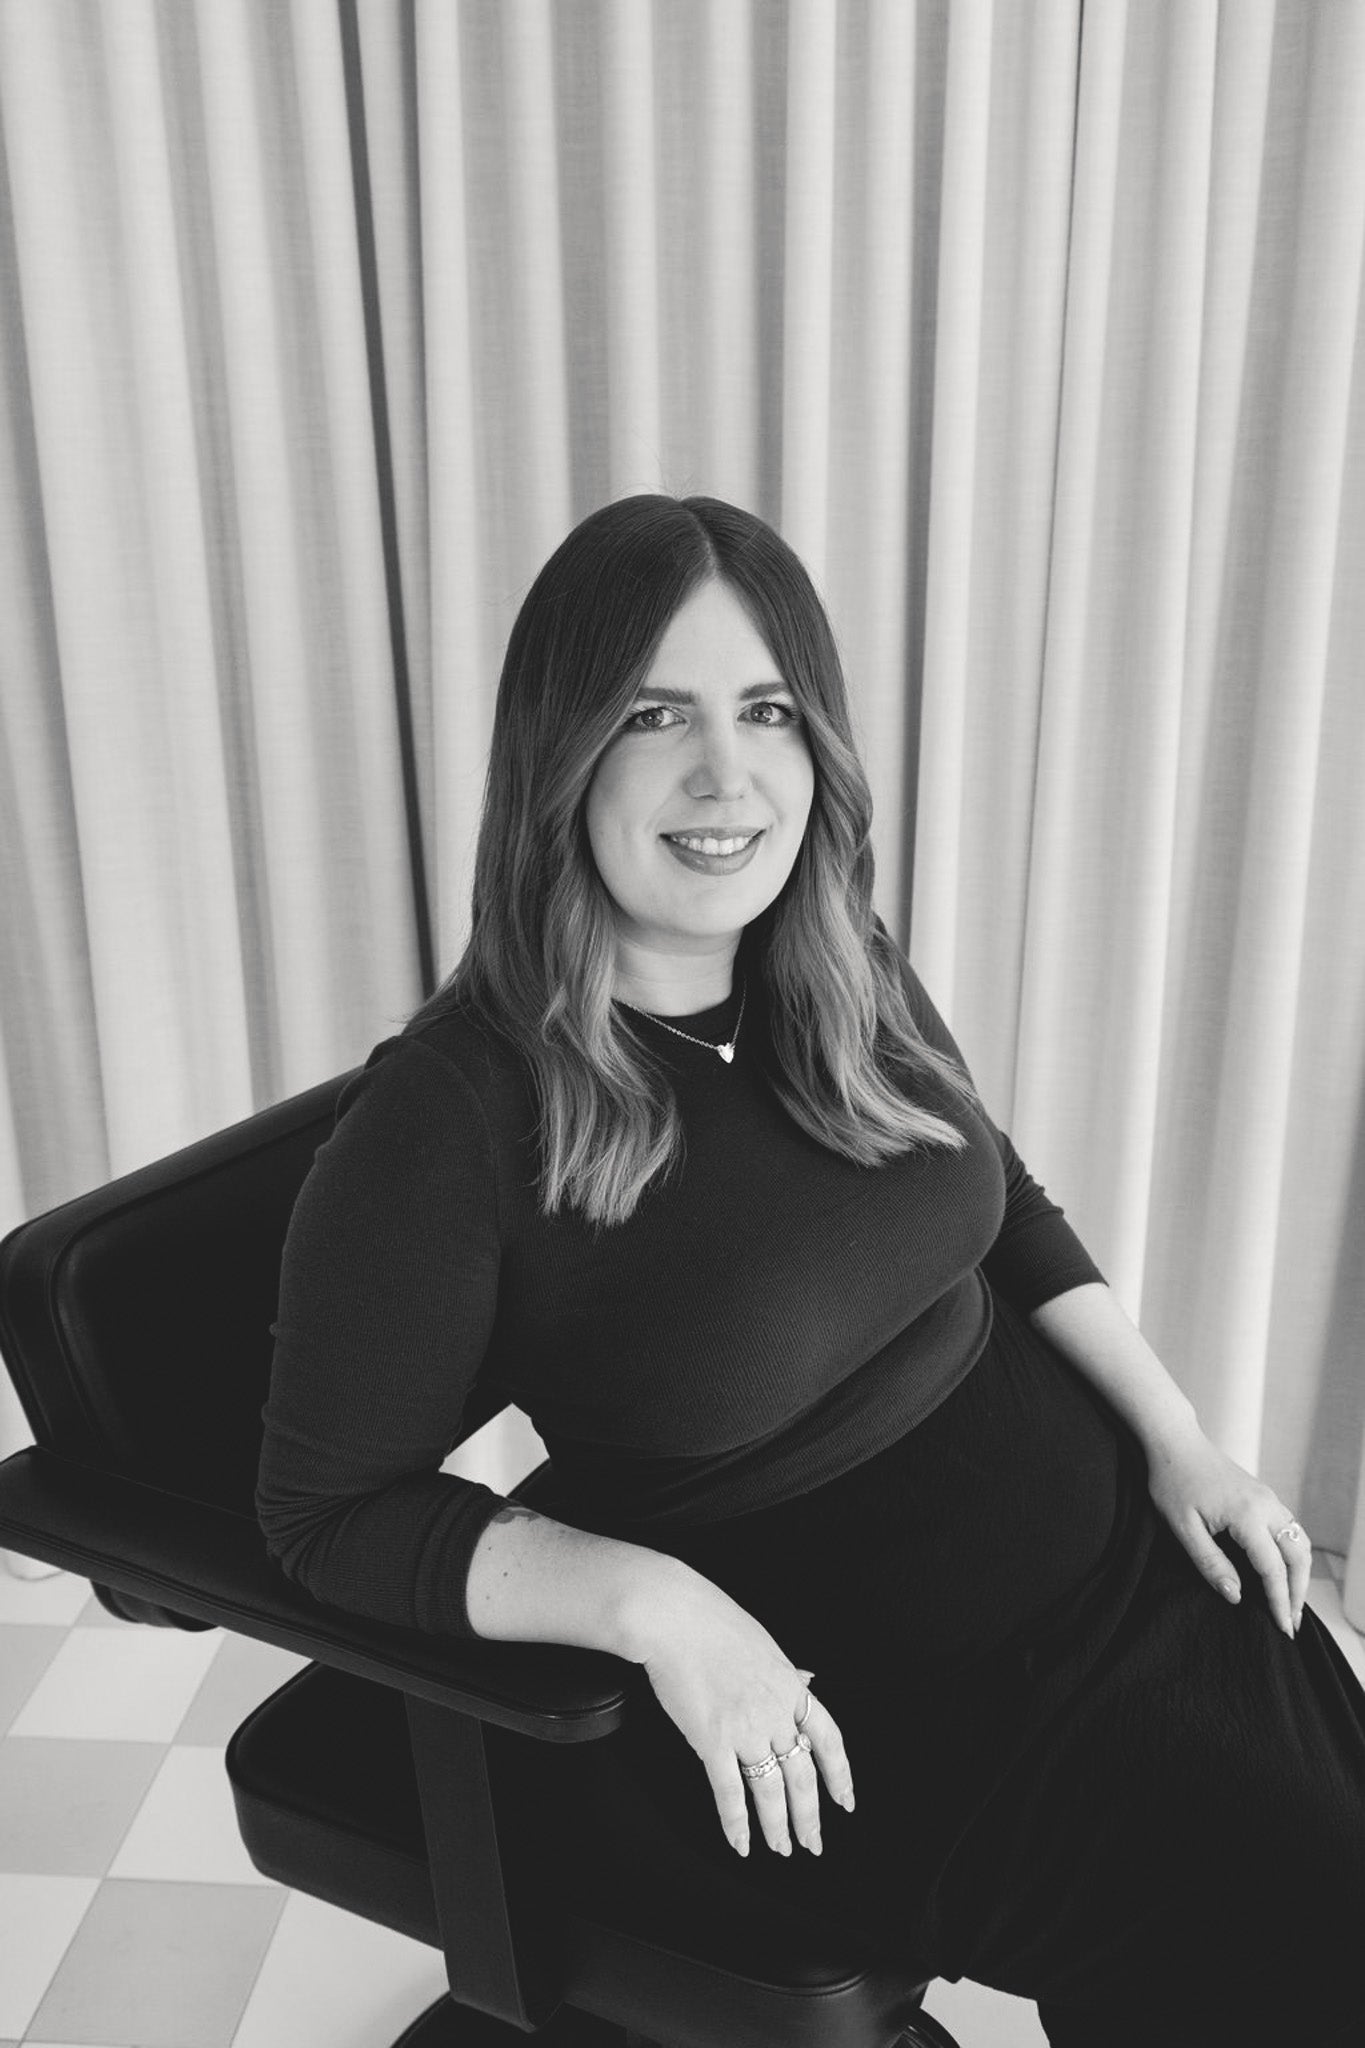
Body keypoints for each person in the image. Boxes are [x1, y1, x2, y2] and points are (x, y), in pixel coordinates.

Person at [257, 495, 1365, 2046]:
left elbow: (1005, 1204)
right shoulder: (446, 1122)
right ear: (559, 753)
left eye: (767, 709)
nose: (727, 775)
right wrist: (657, 1611)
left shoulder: (828, 955)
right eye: (655, 713)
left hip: (1119, 1555)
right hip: (908, 1699)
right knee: (1301, 1930)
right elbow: (325, 1518)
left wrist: (1178, 1440)